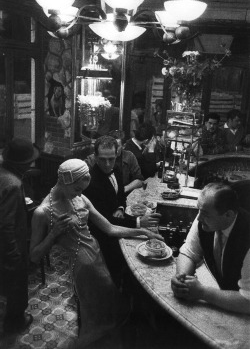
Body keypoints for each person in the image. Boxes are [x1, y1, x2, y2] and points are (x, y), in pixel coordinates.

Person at [29, 159, 163, 348]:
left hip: (97, 258)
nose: (80, 194)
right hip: (79, 269)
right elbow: (34, 256)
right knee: (90, 313)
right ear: (65, 182)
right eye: (77, 189)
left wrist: (142, 231)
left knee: (108, 306)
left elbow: (109, 228)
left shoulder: (80, 198)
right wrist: (54, 233)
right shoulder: (43, 212)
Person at [84, 135, 161, 286]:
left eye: (111, 159)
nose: (107, 164)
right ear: (95, 156)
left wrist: (120, 207)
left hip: (118, 221)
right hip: (101, 235)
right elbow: (104, 220)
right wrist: (138, 222)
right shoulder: (90, 182)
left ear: (117, 154)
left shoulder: (117, 170)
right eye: (102, 159)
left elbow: (120, 197)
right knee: (120, 270)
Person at [171, 182, 250, 314]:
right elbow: (189, 252)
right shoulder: (204, 218)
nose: (199, 218)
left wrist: (202, 292)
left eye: (206, 214)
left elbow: (248, 301)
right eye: (199, 210)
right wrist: (181, 280)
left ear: (228, 215)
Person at [0, 138, 40, 333]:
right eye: (29, 161)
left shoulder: (3, 173)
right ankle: (15, 321)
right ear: (21, 164)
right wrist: (14, 254)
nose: (32, 164)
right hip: (11, 246)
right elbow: (6, 226)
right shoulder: (13, 184)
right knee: (17, 285)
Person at [85, 130, 143, 195]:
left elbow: (139, 180)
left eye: (117, 146)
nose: (107, 164)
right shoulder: (92, 158)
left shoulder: (129, 156)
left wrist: (122, 189)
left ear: (123, 146)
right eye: (109, 146)